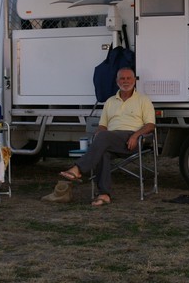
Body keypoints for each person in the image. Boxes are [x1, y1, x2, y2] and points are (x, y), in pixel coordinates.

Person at [59, 67, 155, 207]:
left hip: (132, 141)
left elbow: (150, 125)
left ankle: (78, 168)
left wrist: (135, 135)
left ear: (134, 80)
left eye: (129, 78)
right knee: (103, 151)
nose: (126, 81)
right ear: (117, 81)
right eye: (122, 78)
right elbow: (102, 126)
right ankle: (104, 194)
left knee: (104, 138)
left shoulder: (143, 100)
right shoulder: (110, 101)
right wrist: (99, 133)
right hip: (111, 140)